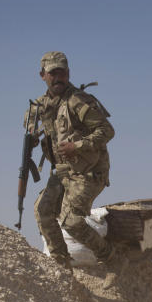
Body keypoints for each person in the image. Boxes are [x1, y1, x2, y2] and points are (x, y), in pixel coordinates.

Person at [28, 51, 119, 269]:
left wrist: (76, 146)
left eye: (62, 73)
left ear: (68, 73)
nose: (58, 77)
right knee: (42, 211)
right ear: (42, 75)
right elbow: (31, 127)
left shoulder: (78, 101)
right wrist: (32, 137)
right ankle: (61, 264)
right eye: (53, 73)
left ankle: (111, 259)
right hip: (62, 172)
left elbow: (107, 130)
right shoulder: (39, 106)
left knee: (72, 221)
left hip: (90, 171)